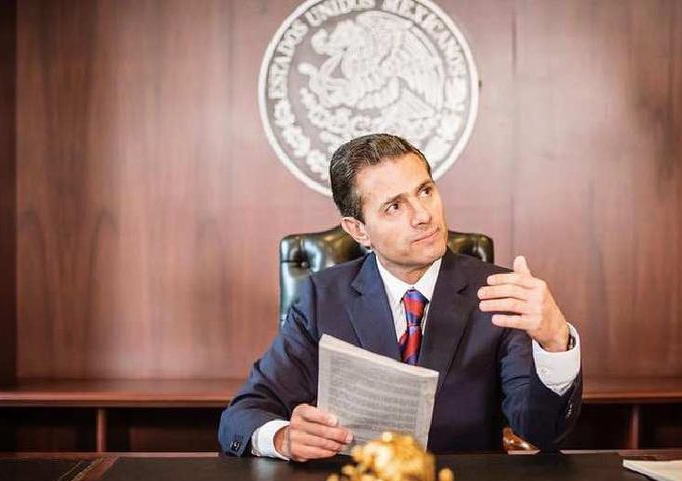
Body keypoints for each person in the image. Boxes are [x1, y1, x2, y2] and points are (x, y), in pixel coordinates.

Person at [218, 134, 582, 461]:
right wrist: (283, 438)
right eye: (394, 206)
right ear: (358, 230)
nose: (423, 215)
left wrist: (555, 343)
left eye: (425, 191)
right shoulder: (321, 298)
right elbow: (241, 415)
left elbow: (542, 433)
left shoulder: (498, 293)